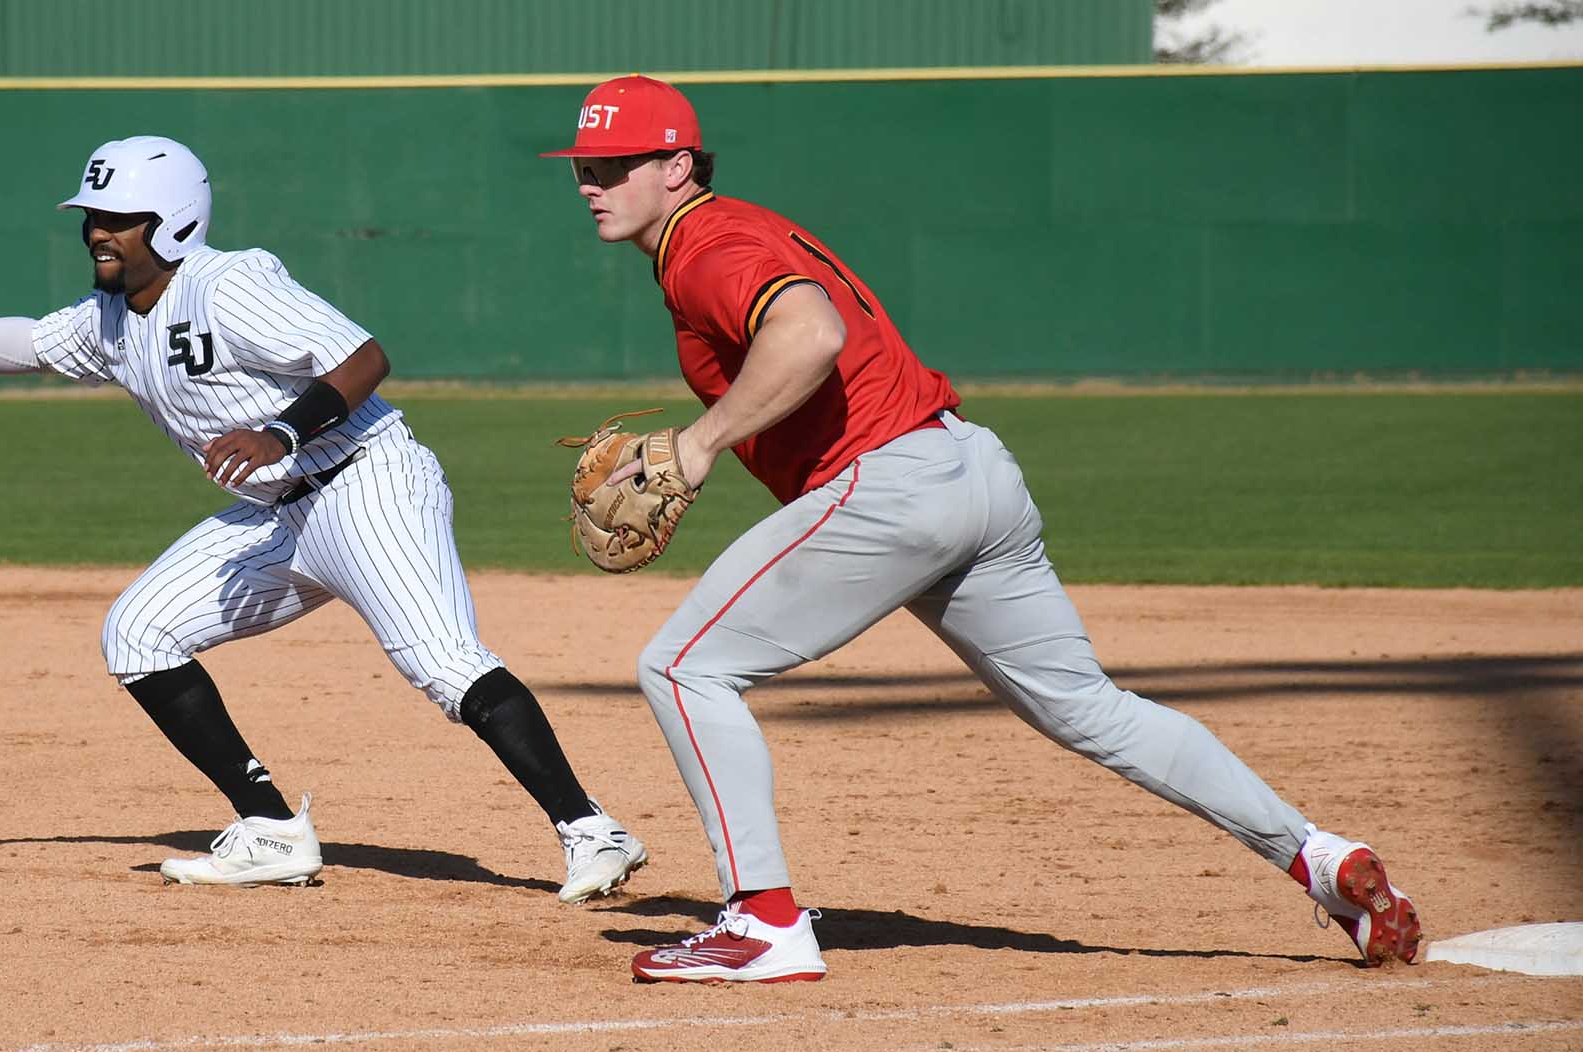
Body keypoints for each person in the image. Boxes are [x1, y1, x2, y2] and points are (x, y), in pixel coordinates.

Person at [541, 76, 1421, 983]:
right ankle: (1319, 858)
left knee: (684, 667)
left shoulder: (705, 245)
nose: (590, 182)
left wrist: (698, 444)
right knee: (1089, 707)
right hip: (969, 472)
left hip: (890, 487)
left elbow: (810, 334)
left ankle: (764, 924)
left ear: (678, 166)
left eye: (613, 163)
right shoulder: (735, 231)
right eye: (583, 166)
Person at [0, 134, 645, 903]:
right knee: (138, 635)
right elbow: (30, 343)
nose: (98, 230)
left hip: (366, 482)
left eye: (119, 215)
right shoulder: (110, 317)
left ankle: (591, 830)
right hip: (279, 516)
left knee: (442, 664)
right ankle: (270, 829)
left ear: (171, 221)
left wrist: (279, 433)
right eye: (91, 214)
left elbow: (363, 356)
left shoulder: (228, 283)